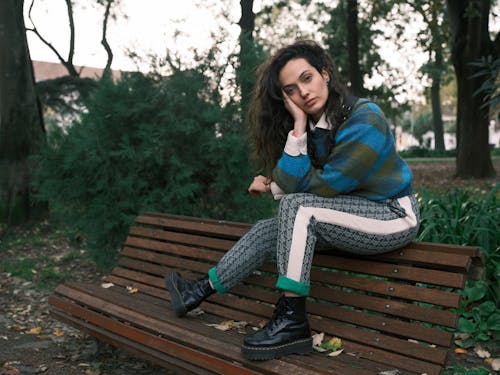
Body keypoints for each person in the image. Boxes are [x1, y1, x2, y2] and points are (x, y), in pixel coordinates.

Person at [164, 40, 420, 361]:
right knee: (268, 229)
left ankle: (292, 321)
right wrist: (298, 127)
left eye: (307, 78)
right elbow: (293, 182)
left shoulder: (365, 119)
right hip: (348, 216)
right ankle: (198, 291)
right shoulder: (313, 128)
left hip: (392, 215)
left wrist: (276, 188)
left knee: (297, 208)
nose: (304, 92)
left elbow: (325, 187)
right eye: (291, 89)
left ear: (325, 74)